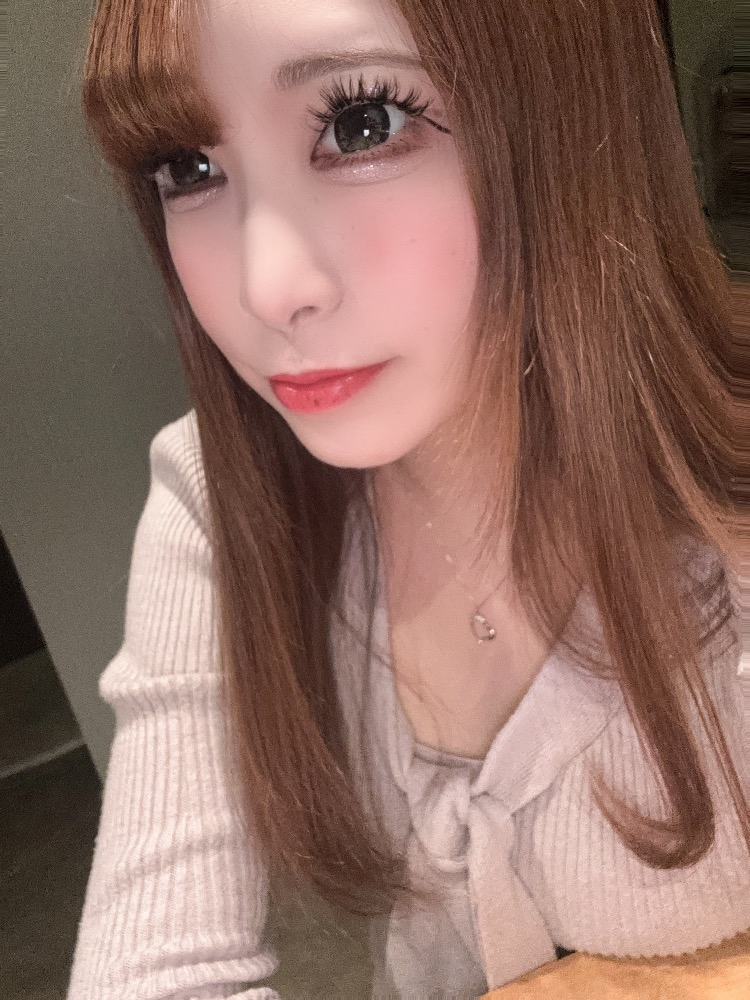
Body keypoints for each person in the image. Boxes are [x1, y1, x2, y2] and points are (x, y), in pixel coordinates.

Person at [67, 0, 749, 997]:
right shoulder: (222, 496)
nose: (268, 287)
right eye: (188, 166)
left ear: (562, 109)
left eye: (362, 124)